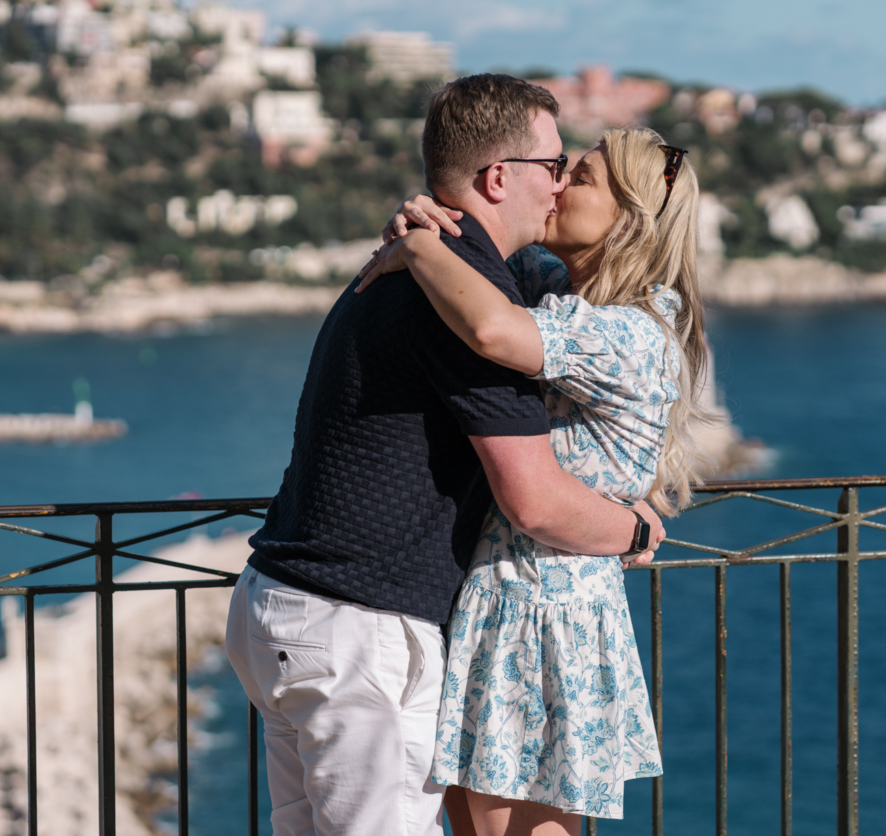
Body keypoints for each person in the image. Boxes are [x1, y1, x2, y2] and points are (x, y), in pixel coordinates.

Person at [226, 74, 666, 836]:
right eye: (554, 166)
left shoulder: (429, 263)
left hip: (281, 606)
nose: (559, 186)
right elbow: (533, 499)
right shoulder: (462, 301)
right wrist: (634, 531)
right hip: (358, 631)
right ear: (501, 177)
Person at [357, 126, 707, 835]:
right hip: (505, 600)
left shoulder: (630, 332)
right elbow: (487, 284)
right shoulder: (560, 291)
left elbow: (492, 331)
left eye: (579, 177)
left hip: (538, 614)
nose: (556, 182)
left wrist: (419, 246)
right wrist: (424, 221)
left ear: (628, 219)